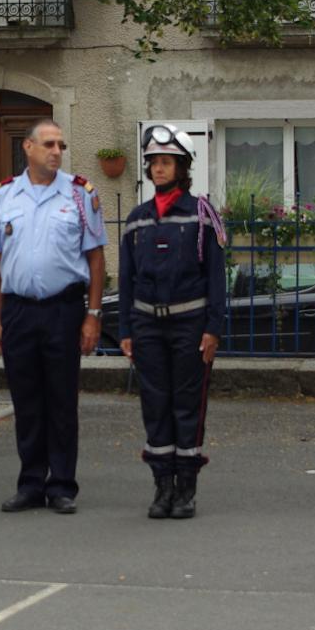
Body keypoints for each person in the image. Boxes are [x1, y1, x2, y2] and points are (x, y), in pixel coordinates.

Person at [0, 118, 107, 516]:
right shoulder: (4, 196)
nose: (57, 151)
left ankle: (62, 486)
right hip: (20, 309)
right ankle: (30, 483)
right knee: (27, 401)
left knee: (61, 400)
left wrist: (92, 314)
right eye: (49, 144)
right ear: (28, 148)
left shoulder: (79, 195)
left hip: (63, 309)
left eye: (61, 145)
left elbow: (95, 256)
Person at [117, 124, 226, 520]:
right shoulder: (137, 218)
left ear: (182, 168)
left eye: (166, 162)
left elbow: (216, 278)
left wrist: (213, 329)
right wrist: (126, 331)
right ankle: (162, 487)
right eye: (154, 163)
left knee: (187, 408)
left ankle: (186, 489)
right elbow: (126, 280)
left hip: (190, 328)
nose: (158, 169)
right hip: (147, 327)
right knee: (155, 406)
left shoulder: (202, 215)